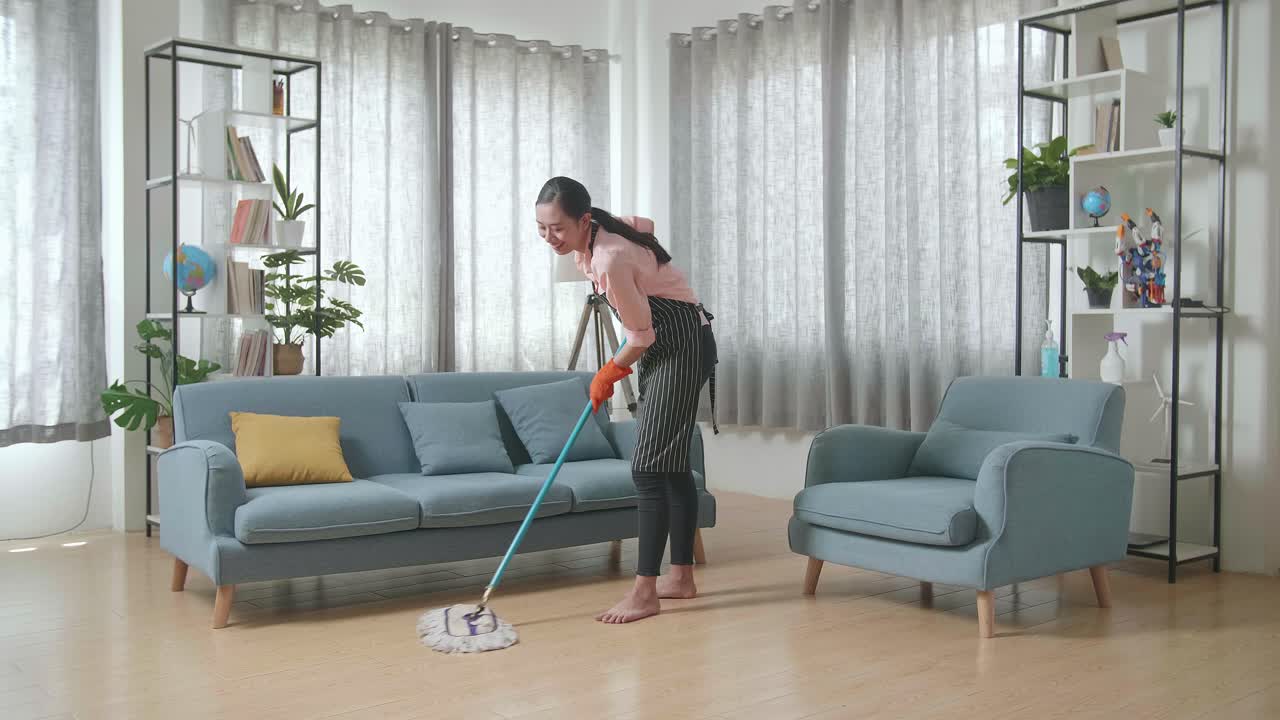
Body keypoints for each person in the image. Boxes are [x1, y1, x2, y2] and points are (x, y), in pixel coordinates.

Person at [535, 176, 717, 624]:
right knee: (670, 464)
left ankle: (644, 592)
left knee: (648, 467)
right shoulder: (600, 234)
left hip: (680, 344)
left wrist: (609, 372)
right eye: (541, 228)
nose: (549, 237)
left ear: (584, 220)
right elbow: (644, 224)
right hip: (668, 343)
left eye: (557, 228)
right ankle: (682, 578)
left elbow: (640, 334)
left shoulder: (609, 257)